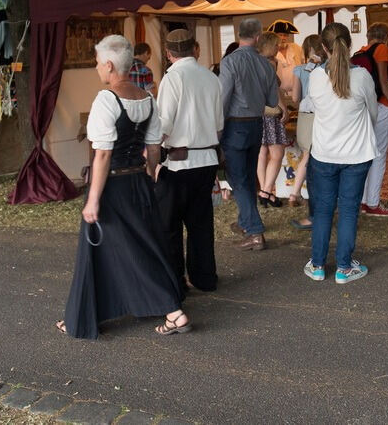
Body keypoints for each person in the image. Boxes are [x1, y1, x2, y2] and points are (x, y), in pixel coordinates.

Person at [57, 35, 190, 338]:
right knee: (123, 247)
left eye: (96, 63)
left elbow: (102, 154)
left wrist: (92, 200)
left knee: (128, 249)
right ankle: (82, 316)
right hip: (138, 181)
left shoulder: (107, 99)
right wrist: (151, 173)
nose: (95, 68)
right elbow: (154, 146)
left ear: (108, 65)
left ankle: (173, 311)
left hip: (113, 186)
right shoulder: (146, 97)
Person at [304, 23, 378, 284]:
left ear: (323, 47)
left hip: (324, 153)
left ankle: (317, 265)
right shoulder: (363, 76)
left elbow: (315, 109)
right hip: (356, 154)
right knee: (348, 211)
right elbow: (372, 113)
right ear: (349, 43)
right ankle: (344, 268)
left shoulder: (314, 77)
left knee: (323, 210)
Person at [154, 29, 224, 294]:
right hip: (206, 159)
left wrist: (153, 152)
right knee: (201, 224)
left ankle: (176, 283)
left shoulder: (173, 78)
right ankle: (205, 278)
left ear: (169, 53)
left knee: (170, 226)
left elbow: (164, 124)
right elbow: (218, 126)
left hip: (178, 163)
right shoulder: (210, 77)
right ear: (196, 49)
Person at [218, 17, 279, 250]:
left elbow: (223, 98)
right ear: (258, 37)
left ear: (238, 35)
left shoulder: (230, 62)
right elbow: (273, 100)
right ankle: (245, 221)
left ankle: (254, 231)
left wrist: (217, 129)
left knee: (238, 178)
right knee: (247, 178)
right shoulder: (265, 63)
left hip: (235, 125)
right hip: (257, 124)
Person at [355, 22, 388, 217]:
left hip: (362, 108)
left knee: (365, 153)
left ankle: (363, 200)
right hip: (380, 105)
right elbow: (383, 80)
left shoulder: (359, 52)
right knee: (379, 154)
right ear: (386, 37)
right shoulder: (381, 49)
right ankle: (373, 202)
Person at [287, 34, 323, 228]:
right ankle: (296, 193)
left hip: (305, 116)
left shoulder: (299, 70)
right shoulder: (326, 69)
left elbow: (294, 97)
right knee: (315, 158)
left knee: (306, 156)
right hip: (322, 115)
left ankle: (295, 192)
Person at [256, 31, 290, 208]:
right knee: (277, 153)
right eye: (276, 45)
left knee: (262, 153)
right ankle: (266, 191)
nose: (279, 47)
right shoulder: (269, 63)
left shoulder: (254, 61)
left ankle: (264, 191)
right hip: (270, 113)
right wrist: (284, 108)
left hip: (257, 112)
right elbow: (274, 90)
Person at [268, 19, 304, 96]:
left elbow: (304, 64)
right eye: (280, 35)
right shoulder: (270, 52)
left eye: (285, 35)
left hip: (298, 91)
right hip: (279, 94)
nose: (283, 38)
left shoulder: (295, 48)